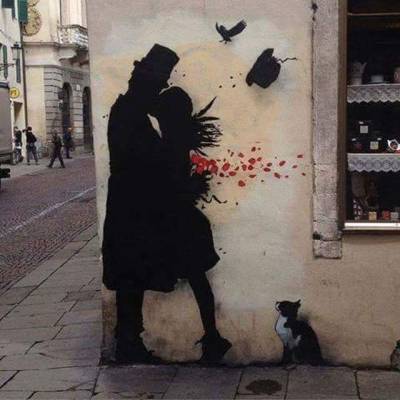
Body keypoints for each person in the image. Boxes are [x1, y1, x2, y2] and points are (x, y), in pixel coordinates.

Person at [102, 44, 231, 364]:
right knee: (131, 277)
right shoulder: (130, 115)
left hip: (138, 211)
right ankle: (129, 342)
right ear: (145, 82)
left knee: (132, 276)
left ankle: (131, 341)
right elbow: (148, 165)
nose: (160, 90)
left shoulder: (132, 112)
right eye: (158, 84)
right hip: (132, 211)